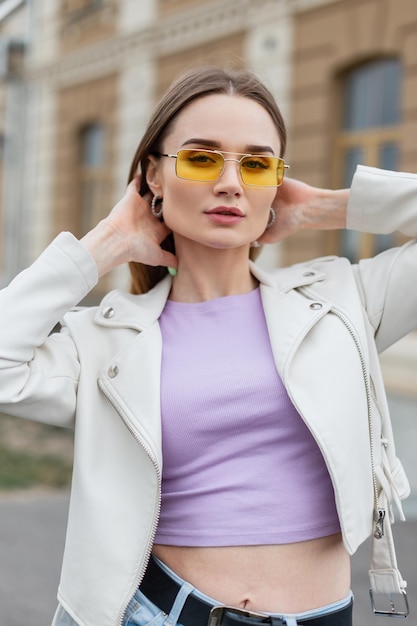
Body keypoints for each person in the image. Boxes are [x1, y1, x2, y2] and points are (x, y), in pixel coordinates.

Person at [0, 65, 414, 626]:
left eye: (256, 164)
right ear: (152, 175)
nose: (230, 183)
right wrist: (105, 244)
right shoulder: (106, 339)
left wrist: (327, 208)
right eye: (200, 158)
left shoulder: (344, 300)